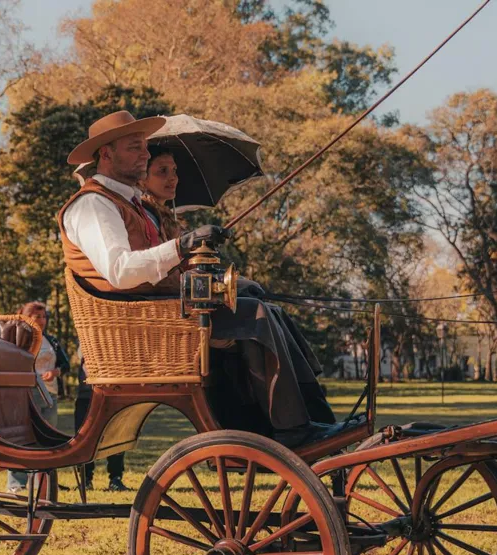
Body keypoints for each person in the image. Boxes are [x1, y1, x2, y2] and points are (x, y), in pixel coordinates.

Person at [59, 111, 337, 447]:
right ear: (106, 153)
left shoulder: (130, 204)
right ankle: (294, 429)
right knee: (255, 316)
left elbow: (164, 273)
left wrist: (223, 282)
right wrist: (182, 245)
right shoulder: (93, 204)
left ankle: (313, 416)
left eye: (146, 148)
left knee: (265, 309)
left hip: (161, 311)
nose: (146, 155)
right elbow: (120, 271)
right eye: (136, 148)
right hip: (137, 322)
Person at [7, 301, 70, 493]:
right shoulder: (17, 339)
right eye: (37, 317)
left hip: (49, 395)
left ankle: (43, 481)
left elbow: (65, 364)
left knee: (47, 438)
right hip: (26, 393)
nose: (42, 321)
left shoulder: (51, 340)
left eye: (44, 317)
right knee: (22, 437)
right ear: (27, 318)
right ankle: (16, 483)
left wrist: (55, 372)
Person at [73, 343, 127, 491]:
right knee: (84, 438)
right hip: (87, 397)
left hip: (111, 395)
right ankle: (85, 479)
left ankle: (115, 479)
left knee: (115, 436)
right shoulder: (88, 338)